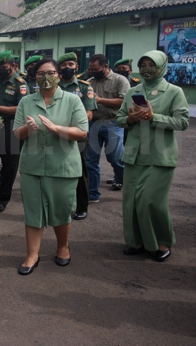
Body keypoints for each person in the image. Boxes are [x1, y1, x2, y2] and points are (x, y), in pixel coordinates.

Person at [13, 59, 88, 275]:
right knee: (33, 212)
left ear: (58, 75)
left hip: (63, 165)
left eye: (51, 72)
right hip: (33, 166)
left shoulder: (72, 100)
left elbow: (82, 132)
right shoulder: (26, 101)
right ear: (34, 77)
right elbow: (17, 134)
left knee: (62, 210)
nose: (46, 77)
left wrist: (56, 128)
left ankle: (63, 247)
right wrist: (28, 128)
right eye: (41, 73)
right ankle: (32, 255)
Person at [117, 50, 189, 262]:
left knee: (151, 201)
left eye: (152, 64)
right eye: (144, 64)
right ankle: (137, 241)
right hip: (134, 154)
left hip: (160, 154)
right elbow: (120, 118)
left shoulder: (174, 91)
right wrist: (130, 118)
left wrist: (153, 116)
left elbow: (183, 122)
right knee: (131, 201)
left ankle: (162, 242)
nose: (147, 68)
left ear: (162, 66)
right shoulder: (133, 91)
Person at [0, 50, 28, 213]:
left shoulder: (20, 84)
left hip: (12, 126)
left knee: (9, 166)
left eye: (3, 67)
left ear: (14, 66)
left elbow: (22, 108)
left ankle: (2, 198)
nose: (0, 70)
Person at [58, 53, 97, 221]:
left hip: (76, 136)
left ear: (77, 67)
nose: (68, 67)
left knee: (79, 170)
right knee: (56, 169)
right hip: (55, 134)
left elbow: (88, 115)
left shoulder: (84, 87)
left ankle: (82, 206)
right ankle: (60, 204)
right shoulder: (53, 86)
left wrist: (64, 124)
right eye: (64, 64)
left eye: (71, 64)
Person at [86, 54, 129, 199]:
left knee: (115, 158)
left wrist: (100, 100)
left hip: (113, 123)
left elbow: (124, 101)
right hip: (94, 124)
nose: (92, 72)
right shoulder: (89, 82)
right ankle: (92, 193)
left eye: (95, 69)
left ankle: (123, 180)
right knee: (91, 160)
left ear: (105, 67)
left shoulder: (120, 80)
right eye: (91, 69)